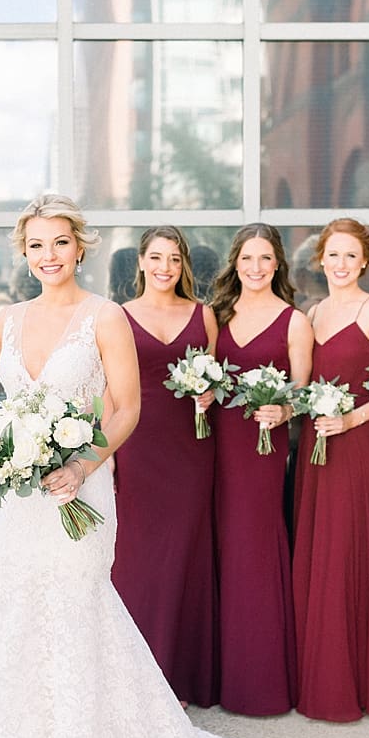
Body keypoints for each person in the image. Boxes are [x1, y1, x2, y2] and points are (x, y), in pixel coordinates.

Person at [0, 194, 262, 738]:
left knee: (80, 608)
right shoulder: (8, 319)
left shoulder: (105, 317)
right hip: (22, 498)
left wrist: (83, 466)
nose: (49, 255)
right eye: (36, 245)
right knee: (11, 609)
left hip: (80, 488)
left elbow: (127, 408)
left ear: (80, 247)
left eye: (60, 242)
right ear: (24, 252)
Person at [292, 217, 369, 722]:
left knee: (346, 557)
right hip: (316, 452)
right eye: (333, 254)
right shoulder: (314, 313)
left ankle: (354, 683)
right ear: (321, 260)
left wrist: (352, 419)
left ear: (365, 263)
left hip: (356, 448)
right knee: (321, 556)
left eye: (350, 256)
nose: (340, 264)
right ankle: (319, 676)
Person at [112, 224, 218, 707]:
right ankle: (134, 679)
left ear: (184, 266)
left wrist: (208, 394)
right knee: (137, 559)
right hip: (137, 446)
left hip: (190, 450)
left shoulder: (203, 314)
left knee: (184, 557)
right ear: (141, 262)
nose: (165, 268)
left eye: (175, 259)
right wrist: (108, 454)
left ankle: (178, 676)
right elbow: (109, 389)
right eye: (156, 258)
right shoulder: (118, 316)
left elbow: (214, 377)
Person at [209, 223, 312, 716]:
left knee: (255, 546)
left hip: (262, 448)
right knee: (220, 545)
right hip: (216, 446)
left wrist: (284, 408)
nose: (255, 267)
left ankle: (262, 679)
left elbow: (302, 392)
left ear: (278, 265)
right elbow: (205, 377)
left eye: (265, 258)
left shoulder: (295, 321)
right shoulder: (218, 315)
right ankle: (217, 673)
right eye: (247, 258)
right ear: (235, 263)